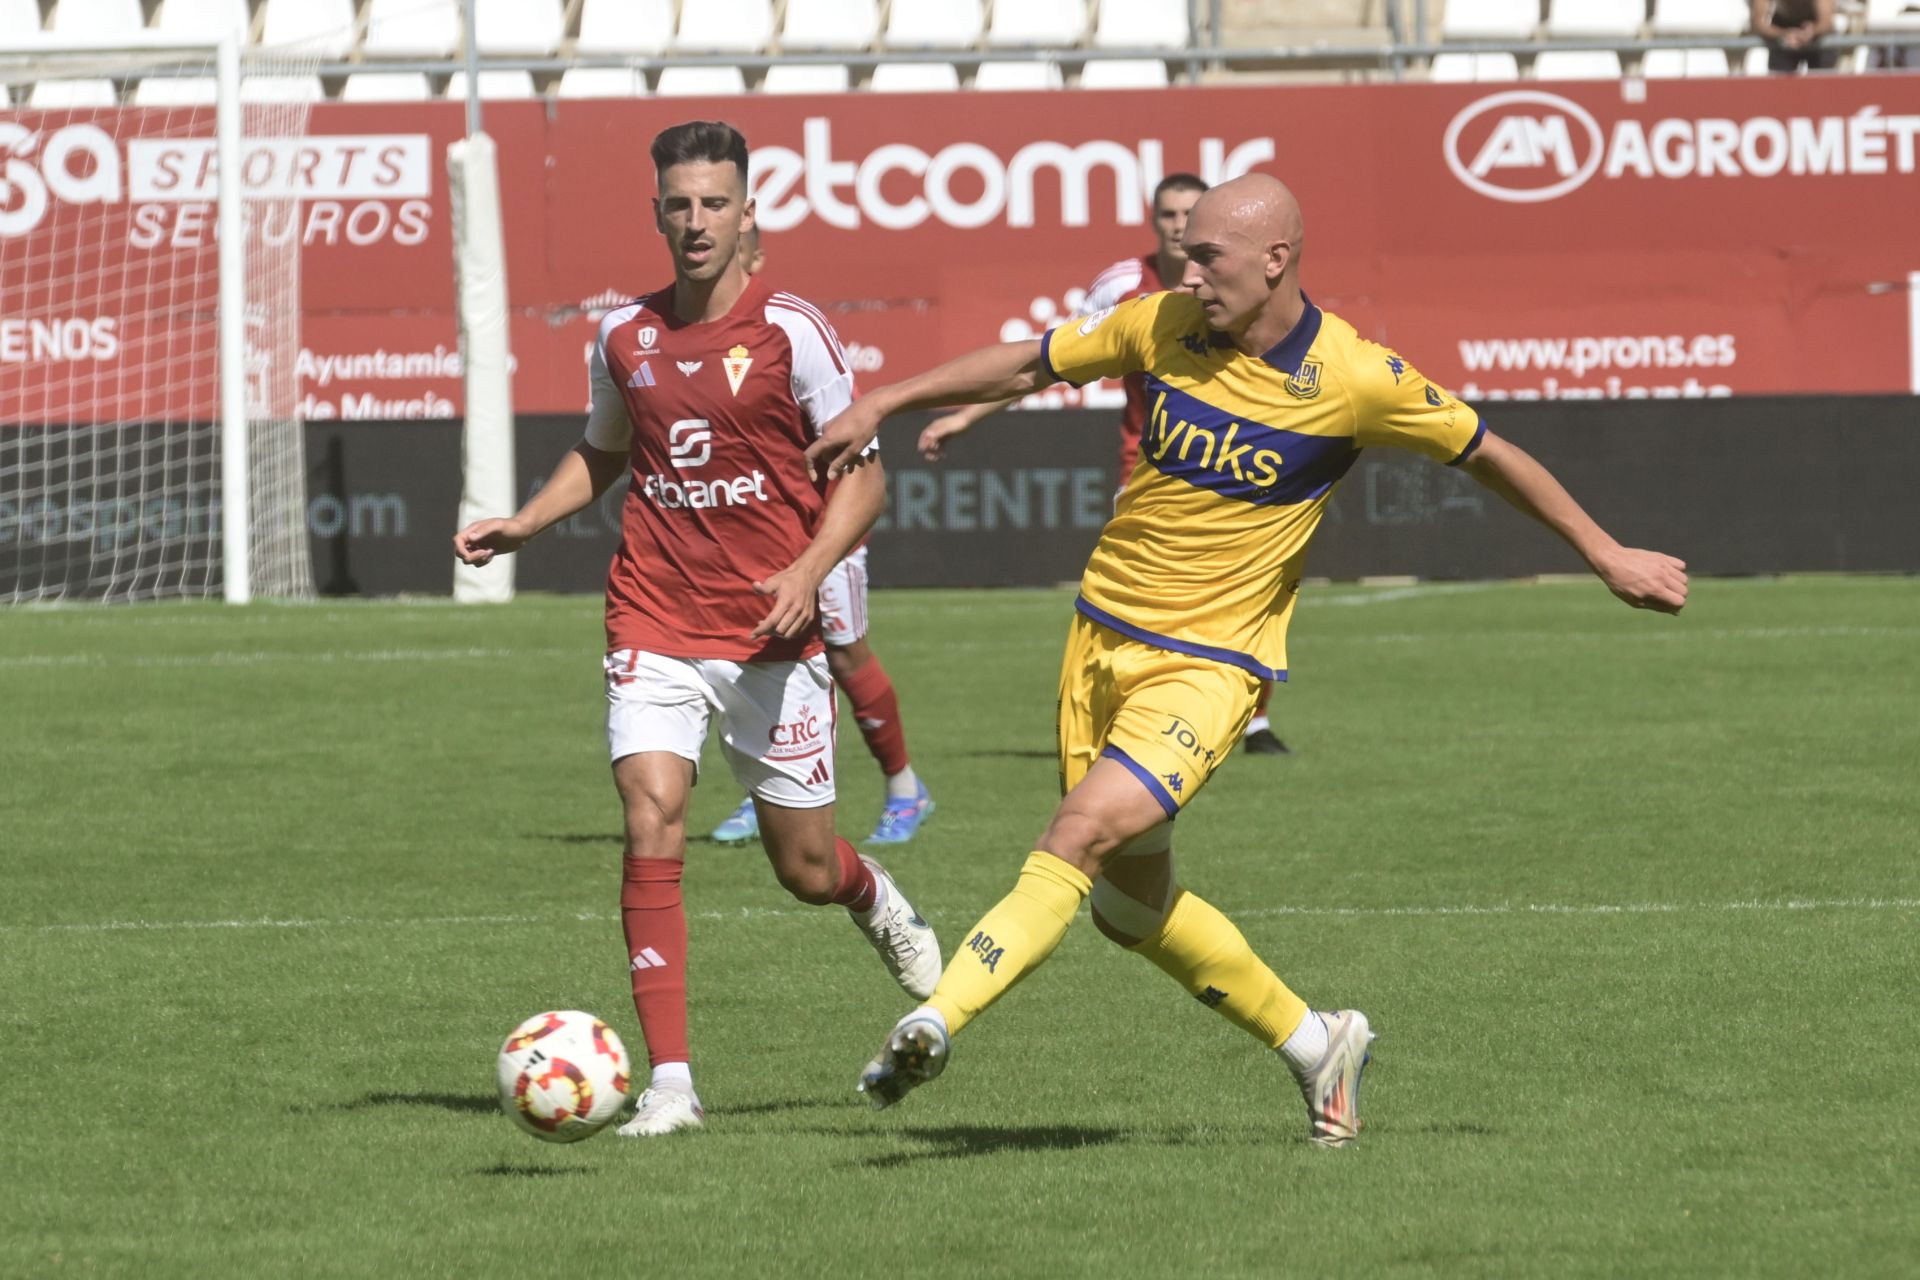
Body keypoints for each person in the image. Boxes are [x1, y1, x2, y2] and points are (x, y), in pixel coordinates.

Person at [804, 173, 1688, 1146]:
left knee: (1077, 835)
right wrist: (886, 396)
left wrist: (1604, 550)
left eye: (1208, 254)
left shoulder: (1355, 377)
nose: (1189, 267)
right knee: (1128, 913)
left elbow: (1485, 449)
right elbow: (1034, 359)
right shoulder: (1163, 325)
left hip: (1211, 667)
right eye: (1184, 252)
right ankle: (1319, 1044)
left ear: (1276, 260)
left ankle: (935, 1019)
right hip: (1096, 643)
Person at [453, 120, 941, 1139]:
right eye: (679, 204)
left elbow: (865, 477)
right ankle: (671, 1082)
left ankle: (874, 895)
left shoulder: (794, 332)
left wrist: (809, 569)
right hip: (654, 614)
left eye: (715, 202)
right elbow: (602, 452)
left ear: (748, 210)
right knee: (652, 814)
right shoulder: (623, 336)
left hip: (769, 633)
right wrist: (523, 523)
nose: (696, 221)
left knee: (805, 867)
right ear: (657, 214)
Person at [918, 174, 1291, 756]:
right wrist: (964, 419)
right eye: (1167, 213)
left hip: (1236, 461)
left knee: (1250, 580)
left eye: (1188, 213)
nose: (1176, 224)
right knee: (1143, 593)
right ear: (1154, 221)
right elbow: (1053, 359)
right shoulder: (1122, 287)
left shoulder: (1243, 288)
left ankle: (1256, 717)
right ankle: (1142, 710)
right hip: (1146, 467)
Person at [708, 223, 934, 847]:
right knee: (744, 654)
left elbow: (851, 447)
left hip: (825, 533)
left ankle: (905, 787)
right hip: (757, 535)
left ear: (753, 253)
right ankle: (769, 791)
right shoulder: (700, 341)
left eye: (737, 248)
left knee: (843, 652)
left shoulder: (790, 331)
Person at [1751, 0, 1836, 73]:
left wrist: (1812, 31)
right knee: (1781, 87)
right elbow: (1758, 23)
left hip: (1816, 32)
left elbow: (1826, 22)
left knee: (1822, 84)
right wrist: (1784, 34)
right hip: (1782, 27)